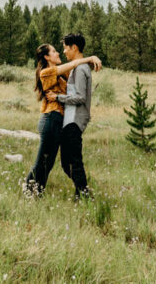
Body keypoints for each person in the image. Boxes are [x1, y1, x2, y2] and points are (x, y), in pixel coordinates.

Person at [24, 44, 101, 196]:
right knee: (43, 161)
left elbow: (77, 70)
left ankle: (36, 193)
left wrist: (92, 63)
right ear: (47, 57)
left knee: (49, 163)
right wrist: (91, 57)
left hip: (59, 120)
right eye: (53, 51)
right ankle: (29, 192)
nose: (58, 52)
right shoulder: (46, 72)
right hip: (51, 119)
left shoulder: (61, 74)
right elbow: (73, 64)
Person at [47, 33, 96, 199]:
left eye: (66, 48)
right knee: (66, 162)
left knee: (73, 160)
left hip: (75, 120)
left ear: (74, 47)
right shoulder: (77, 67)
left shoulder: (81, 69)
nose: (64, 51)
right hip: (70, 120)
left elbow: (81, 97)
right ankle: (81, 192)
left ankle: (83, 194)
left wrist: (58, 98)